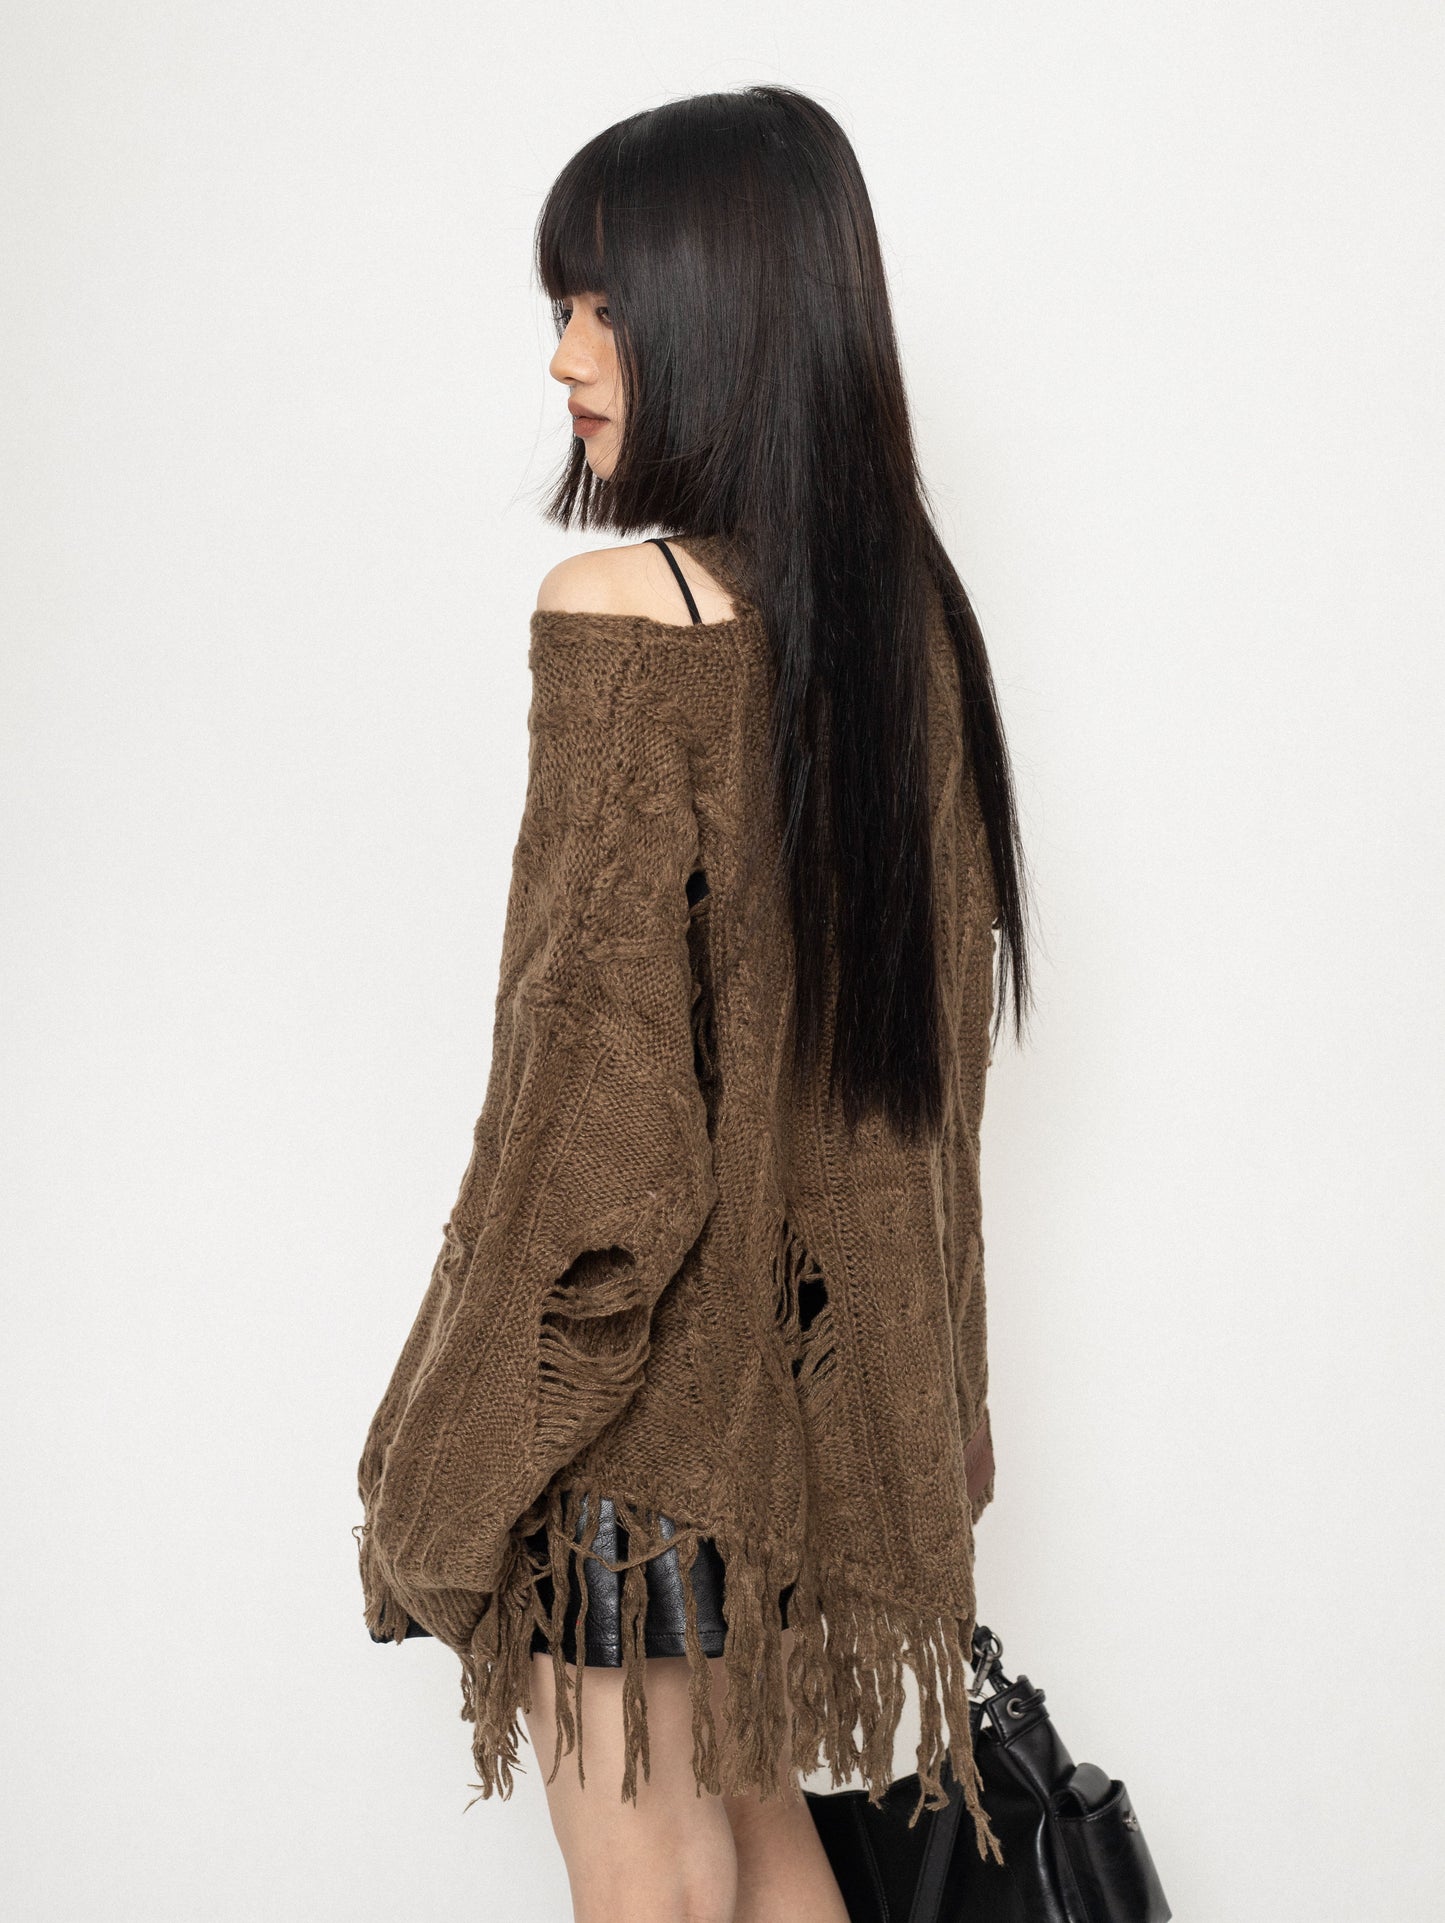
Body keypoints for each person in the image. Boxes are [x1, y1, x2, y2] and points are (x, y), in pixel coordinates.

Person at [354, 84, 1033, 1923]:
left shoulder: (624, 613)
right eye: (558, 307)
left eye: (605, 305)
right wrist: (946, 1395)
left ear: (725, 312)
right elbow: (928, 1106)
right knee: (758, 1841)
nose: (565, 355)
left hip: (640, 1427)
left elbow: (591, 1123)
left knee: (652, 1876)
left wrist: (441, 1462)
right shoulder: (907, 630)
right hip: (811, 1408)